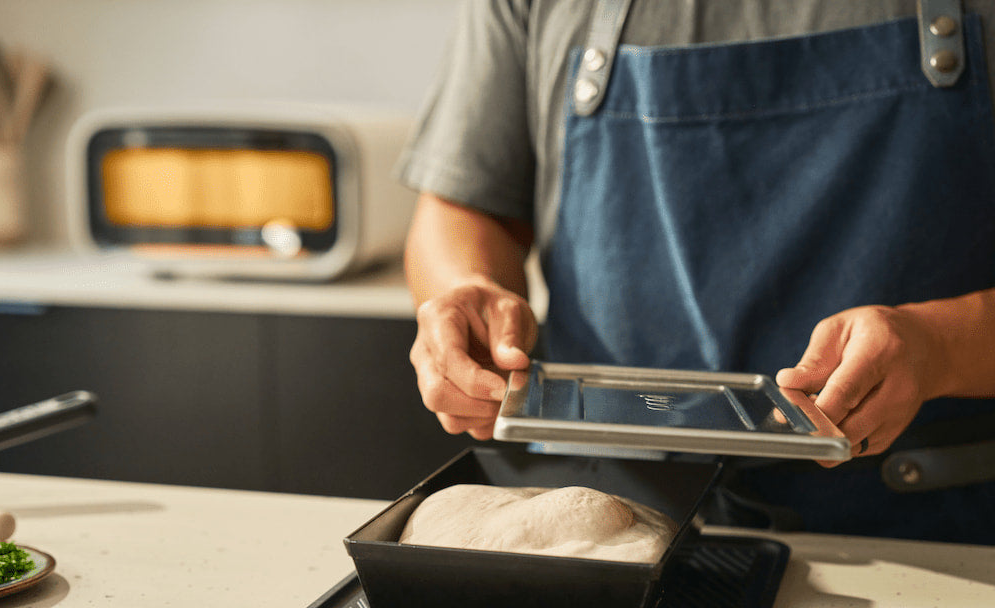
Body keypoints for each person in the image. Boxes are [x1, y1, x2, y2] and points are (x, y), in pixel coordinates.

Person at [398, 0, 995, 544]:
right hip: (594, 529)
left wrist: (939, 345)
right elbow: (465, 209)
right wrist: (464, 290)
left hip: (929, 537)